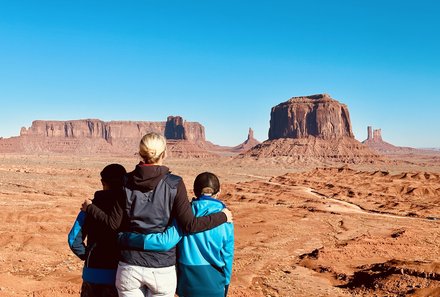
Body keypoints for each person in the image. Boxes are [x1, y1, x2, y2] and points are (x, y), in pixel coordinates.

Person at [81, 132, 233, 297]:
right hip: (161, 268)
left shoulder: (125, 182)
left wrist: (91, 208)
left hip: (129, 267)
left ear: (141, 153)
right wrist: (223, 216)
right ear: (164, 153)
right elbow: (190, 225)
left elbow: (113, 224)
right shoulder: (174, 183)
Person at [118, 171, 234, 297]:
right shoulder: (226, 219)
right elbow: (227, 255)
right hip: (214, 281)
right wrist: (226, 283)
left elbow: (165, 241)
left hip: (187, 281)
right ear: (219, 192)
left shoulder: (183, 215)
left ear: (194, 191)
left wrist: (128, 238)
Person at [68, 163, 127, 297]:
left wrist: (87, 255)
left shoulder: (89, 207)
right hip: (120, 273)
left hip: (93, 274)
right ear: (124, 181)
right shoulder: (128, 209)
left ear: (102, 182)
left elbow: (73, 240)